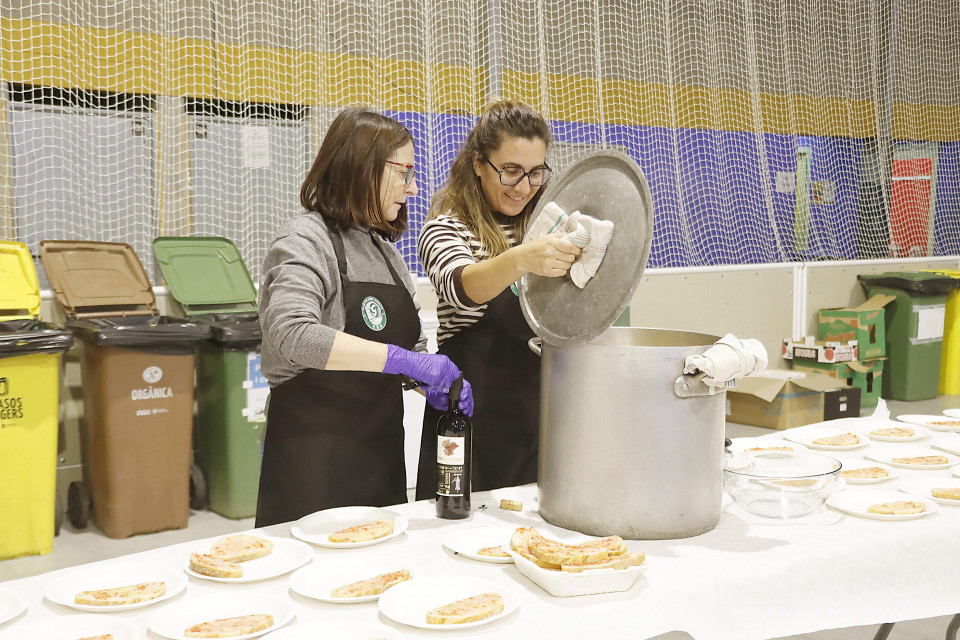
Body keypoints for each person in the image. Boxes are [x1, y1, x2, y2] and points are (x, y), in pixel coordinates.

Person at [255, 107, 473, 527]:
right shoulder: (305, 240)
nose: (413, 188)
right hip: (312, 465)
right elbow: (292, 333)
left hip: (381, 461)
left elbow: (411, 347)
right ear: (362, 168)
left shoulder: (386, 254)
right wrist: (402, 360)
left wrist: (431, 382)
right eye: (404, 172)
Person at [415, 99, 580, 500]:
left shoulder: (551, 227)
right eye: (510, 170)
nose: (523, 187)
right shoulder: (446, 229)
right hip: (468, 416)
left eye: (535, 172)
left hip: (536, 413)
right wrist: (523, 258)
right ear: (478, 163)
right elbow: (461, 287)